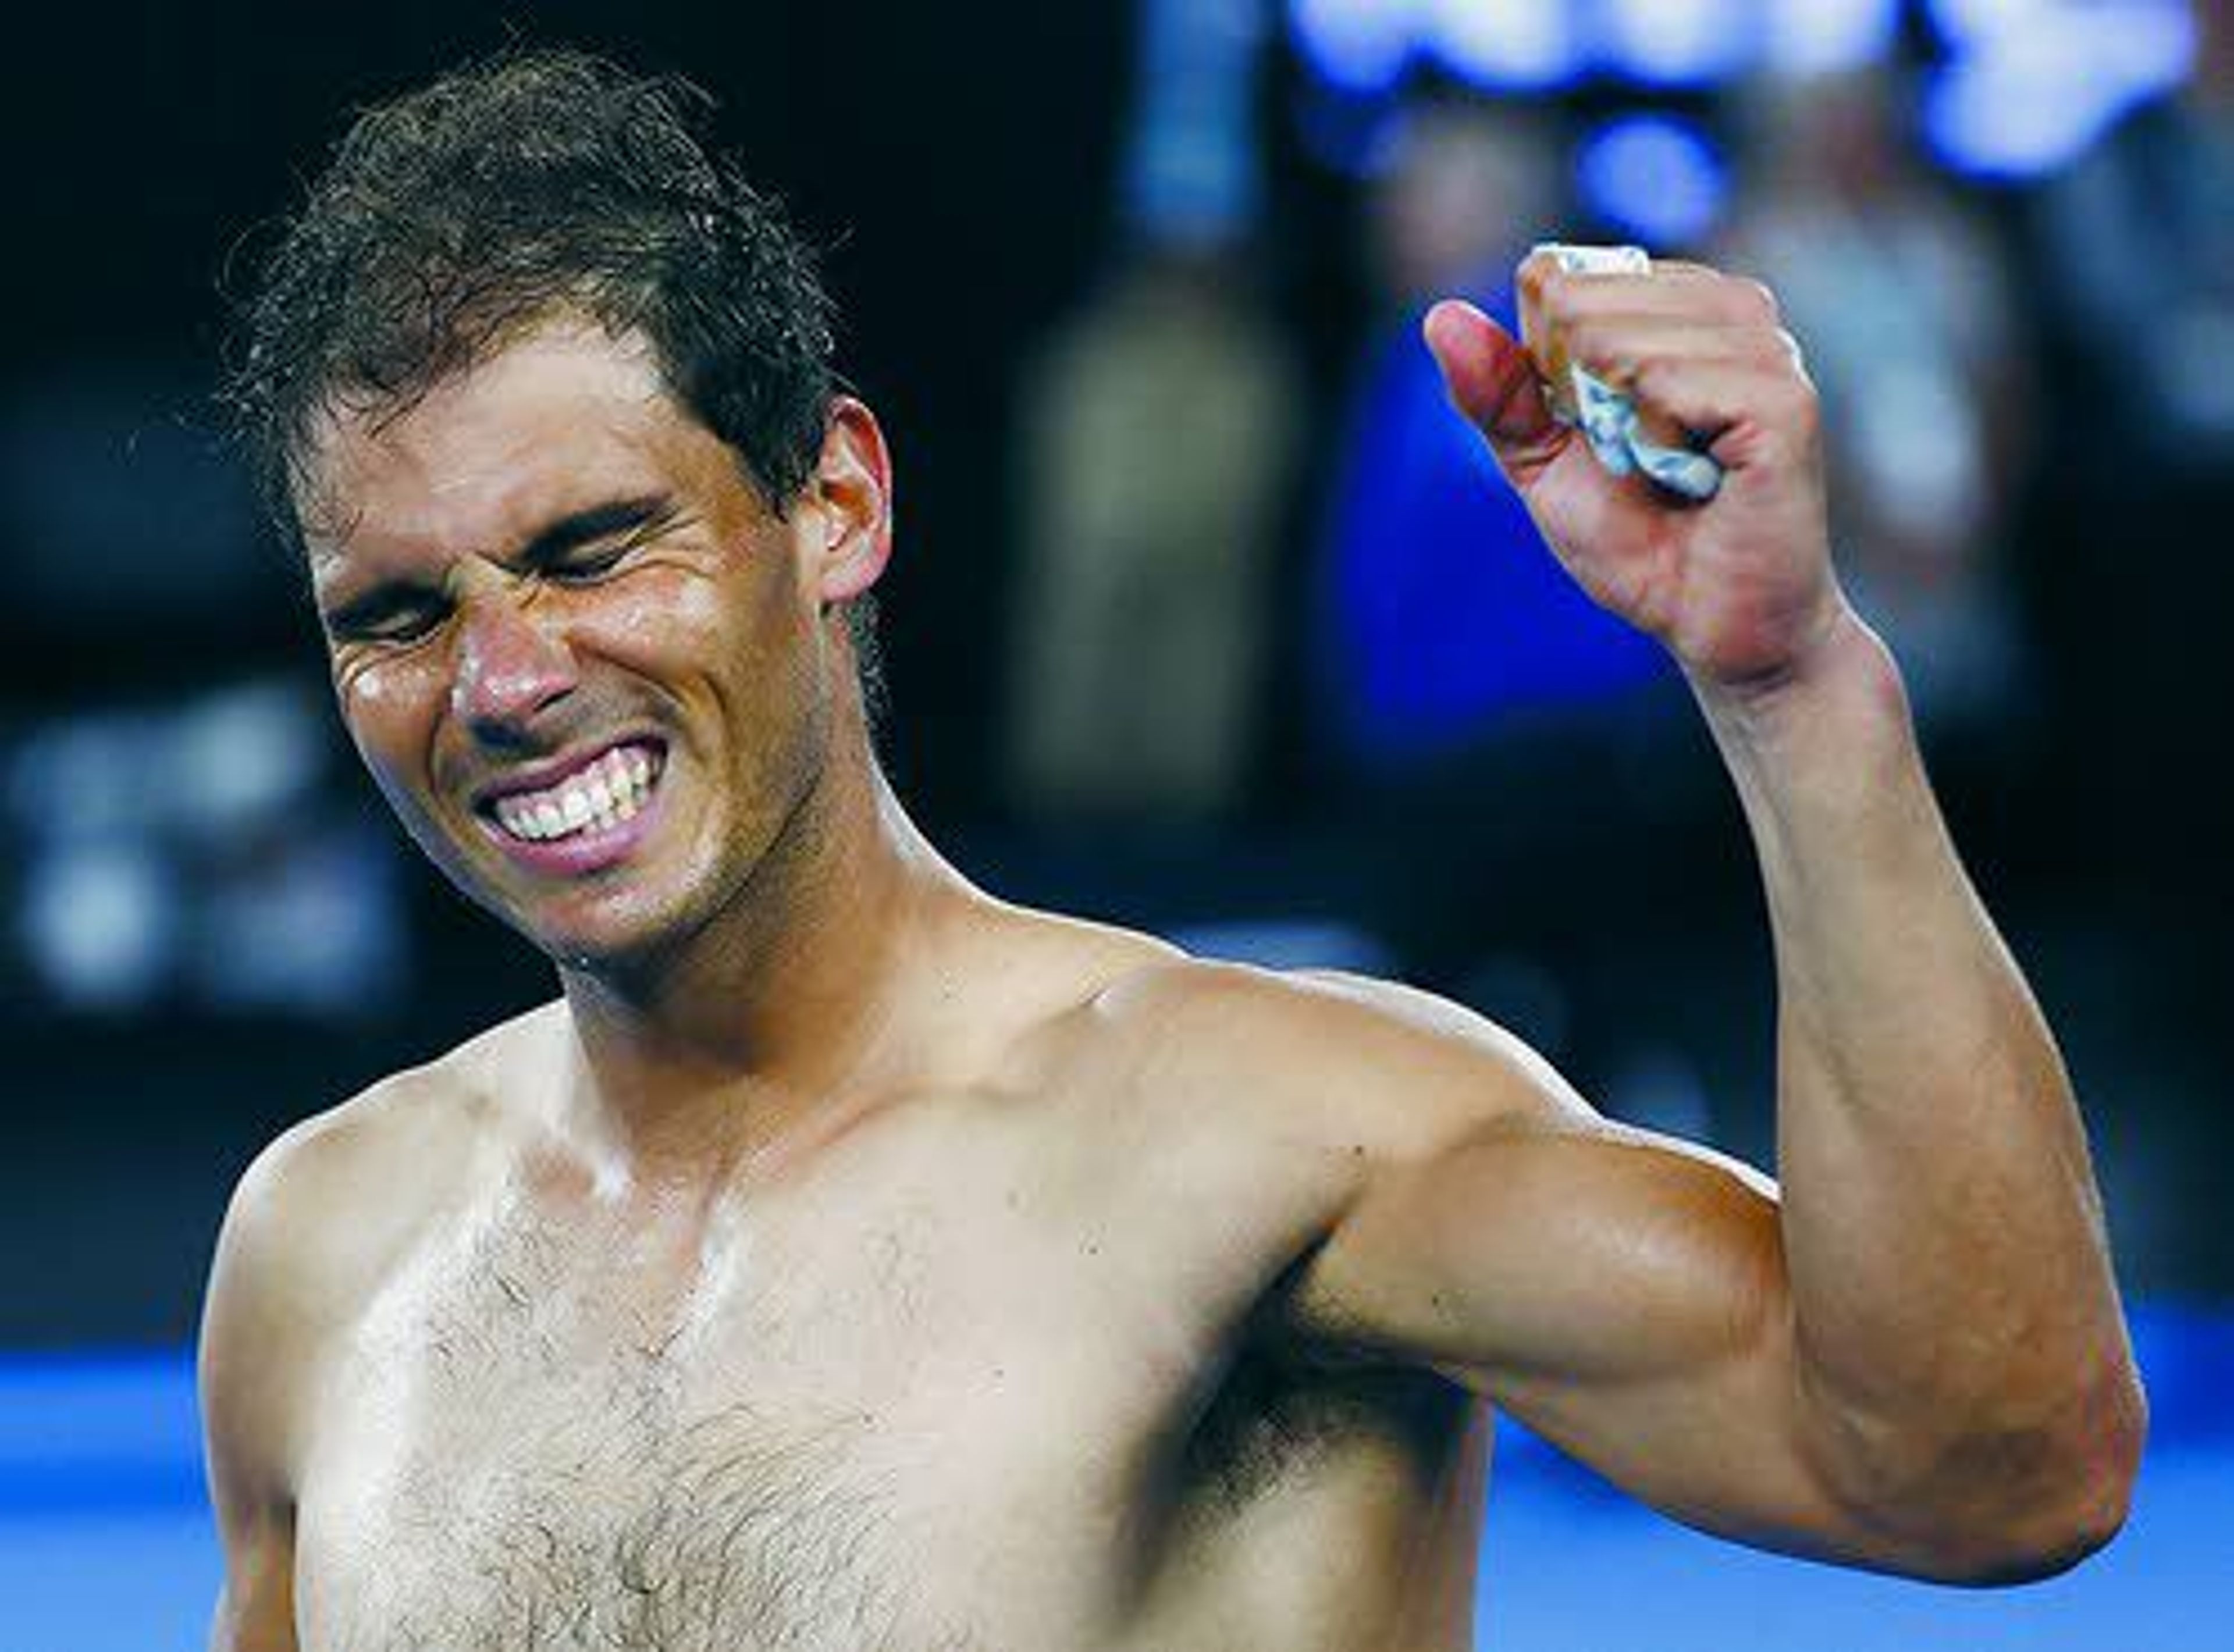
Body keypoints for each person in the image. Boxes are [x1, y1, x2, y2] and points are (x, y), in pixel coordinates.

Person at [199, 48, 2143, 1651]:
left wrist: (1799, 688)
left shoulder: (1281, 1140)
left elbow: (1989, 1469)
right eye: (394, 616)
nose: (507, 679)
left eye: (593, 547)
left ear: (837, 507)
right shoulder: (328, 1247)